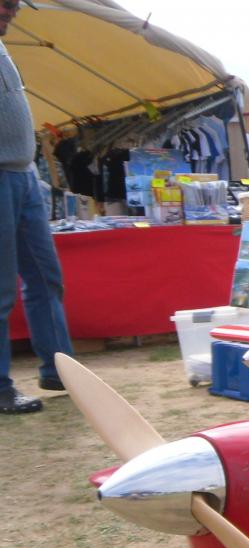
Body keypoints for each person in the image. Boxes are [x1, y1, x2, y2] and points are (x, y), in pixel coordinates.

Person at [0, 0, 74, 414]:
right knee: (1, 290)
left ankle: (60, 369)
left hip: (23, 175)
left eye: (16, 3)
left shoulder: (3, 47)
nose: (13, 10)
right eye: (7, 2)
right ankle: (0, 388)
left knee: (46, 279)